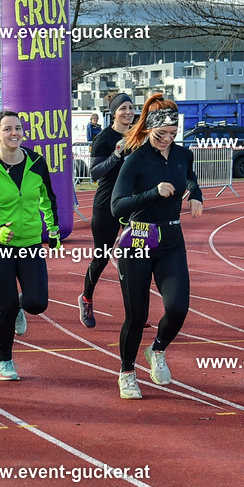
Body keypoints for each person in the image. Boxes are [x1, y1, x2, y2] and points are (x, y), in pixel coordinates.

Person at [111, 94, 203, 399]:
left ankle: (157, 349)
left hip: (171, 240)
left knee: (178, 307)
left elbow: (189, 177)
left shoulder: (182, 155)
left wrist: (196, 192)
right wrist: (153, 192)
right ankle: (126, 372)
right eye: (161, 134)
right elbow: (117, 207)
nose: (167, 139)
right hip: (137, 238)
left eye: (173, 134)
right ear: (149, 128)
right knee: (137, 316)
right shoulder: (135, 160)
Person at [0, 111, 59, 380]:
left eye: (18, 128)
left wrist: (52, 230)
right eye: (7, 129)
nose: (14, 133)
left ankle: (21, 306)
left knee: (37, 303)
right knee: (6, 306)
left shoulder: (36, 162)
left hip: (30, 243)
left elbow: (47, 197)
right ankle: (4, 361)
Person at [79, 93, 135, 328]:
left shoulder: (138, 136)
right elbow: (93, 173)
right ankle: (86, 298)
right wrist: (116, 154)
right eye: (123, 108)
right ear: (114, 113)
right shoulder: (104, 138)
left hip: (133, 204)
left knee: (136, 259)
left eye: (131, 107)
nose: (128, 112)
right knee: (101, 257)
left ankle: (135, 313)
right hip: (107, 204)